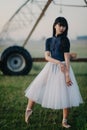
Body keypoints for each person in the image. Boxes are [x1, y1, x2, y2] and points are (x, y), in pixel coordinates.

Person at [25, 17, 83, 128]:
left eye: (64, 26)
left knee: (66, 93)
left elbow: (66, 58)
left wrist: (67, 74)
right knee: (36, 86)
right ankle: (28, 110)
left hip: (64, 67)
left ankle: (64, 120)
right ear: (55, 25)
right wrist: (58, 63)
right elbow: (47, 57)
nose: (62, 28)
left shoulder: (65, 40)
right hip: (52, 66)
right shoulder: (48, 40)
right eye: (60, 25)